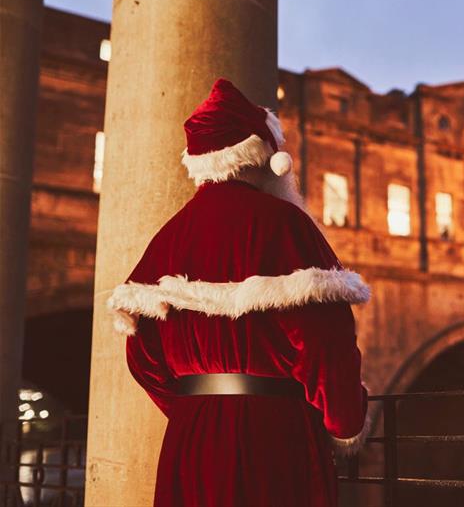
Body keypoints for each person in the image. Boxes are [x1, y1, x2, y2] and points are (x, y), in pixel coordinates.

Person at [106, 78, 371, 507]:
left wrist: (198, 411)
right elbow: (325, 344)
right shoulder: (285, 225)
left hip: (191, 440)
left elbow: (143, 359)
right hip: (275, 437)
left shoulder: (168, 237)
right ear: (266, 156)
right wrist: (345, 425)